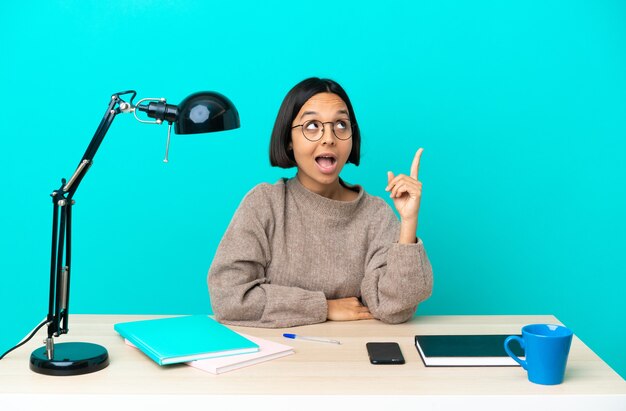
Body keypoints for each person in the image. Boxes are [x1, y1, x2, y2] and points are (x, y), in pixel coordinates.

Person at [208, 77, 433, 328]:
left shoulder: (375, 214)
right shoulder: (265, 204)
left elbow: (394, 308)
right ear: (289, 139)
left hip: (351, 356)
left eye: (340, 124)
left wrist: (408, 223)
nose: (329, 138)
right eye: (312, 125)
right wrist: (324, 307)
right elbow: (228, 296)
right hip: (275, 358)